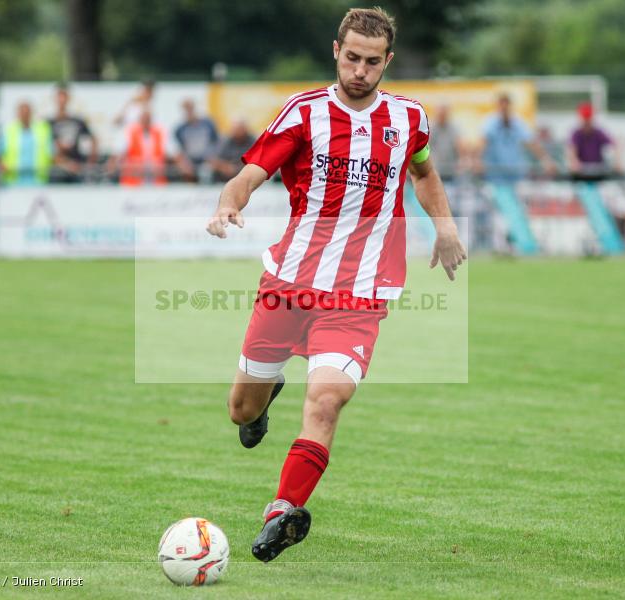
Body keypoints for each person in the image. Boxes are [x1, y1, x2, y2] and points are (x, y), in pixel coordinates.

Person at [205, 7, 466, 563]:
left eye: (372, 62)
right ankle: (262, 402)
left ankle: (282, 511)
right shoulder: (304, 113)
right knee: (241, 411)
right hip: (290, 284)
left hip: (360, 293)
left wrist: (444, 226)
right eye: (352, 58)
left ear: (387, 61)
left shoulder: (409, 118)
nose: (360, 71)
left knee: (326, 401)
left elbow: (423, 171)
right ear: (335, 52)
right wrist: (229, 202)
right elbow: (250, 174)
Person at [475, 93, 556, 181]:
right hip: (495, 172)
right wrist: (478, 160)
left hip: (516, 171)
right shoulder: (490, 123)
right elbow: (482, 143)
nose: (504, 109)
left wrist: (546, 160)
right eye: (501, 106)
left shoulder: (518, 122)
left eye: (506, 106)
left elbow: (531, 143)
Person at [0, 101, 55, 186]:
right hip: (13, 182)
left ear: (32, 113)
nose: (25, 115)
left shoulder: (43, 130)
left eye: (27, 112)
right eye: (22, 113)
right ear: (18, 114)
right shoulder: (9, 131)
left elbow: (52, 154)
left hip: (38, 181)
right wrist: (1, 165)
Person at [49, 83, 98, 183]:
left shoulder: (77, 121)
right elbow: (46, 148)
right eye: (59, 96)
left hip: (77, 168)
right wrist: (65, 163)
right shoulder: (48, 123)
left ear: (68, 98)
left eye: (64, 96)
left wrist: (90, 162)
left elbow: (93, 139)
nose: (62, 100)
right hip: (57, 170)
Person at [567, 102, 620, 180]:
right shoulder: (576, 134)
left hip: (598, 171)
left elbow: (615, 145)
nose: (587, 122)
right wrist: (574, 162)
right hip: (581, 172)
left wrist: (618, 161)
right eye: (585, 119)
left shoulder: (599, 133)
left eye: (588, 119)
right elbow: (571, 150)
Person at [115, 108, 168, 186]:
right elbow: (120, 154)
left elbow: (169, 153)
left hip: (155, 178)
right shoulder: (130, 133)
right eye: (144, 119)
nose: (146, 121)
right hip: (134, 179)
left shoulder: (159, 133)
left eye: (148, 119)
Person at [173, 98, 219, 181]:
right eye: (186, 109)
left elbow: (216, 142)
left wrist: (213, 158)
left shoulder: (208, 124)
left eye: (190, 108)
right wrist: (184, 163)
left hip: (207, 159)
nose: (189, 112)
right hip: (190, 161)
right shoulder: (180, 129)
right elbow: (179, 149)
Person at [430, 104, 465, 180]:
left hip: (451, 169)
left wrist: (461, 161)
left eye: (444, 114)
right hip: (434, 168)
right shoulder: (429, 128)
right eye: (440, 114)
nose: (442, 116)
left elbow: (460, 147)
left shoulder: (454, 128)